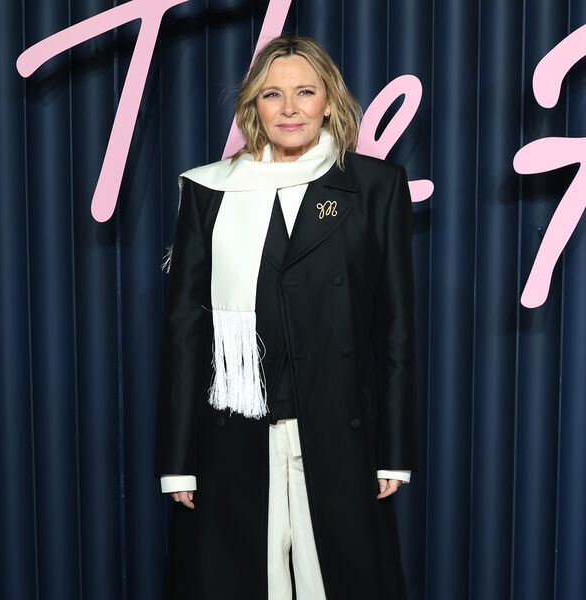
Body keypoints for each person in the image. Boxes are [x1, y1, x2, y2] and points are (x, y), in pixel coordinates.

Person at [154, 34, 418, 600]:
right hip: (235, 433)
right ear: (254, 105)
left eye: (305, 92)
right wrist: (178, 462)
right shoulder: (210, 190)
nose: (290, 108)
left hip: (340, 434)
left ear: (330, 102)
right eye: (273, 94)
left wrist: (394, 453)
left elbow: (395, 327)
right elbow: (183, 335)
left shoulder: (375, 186)